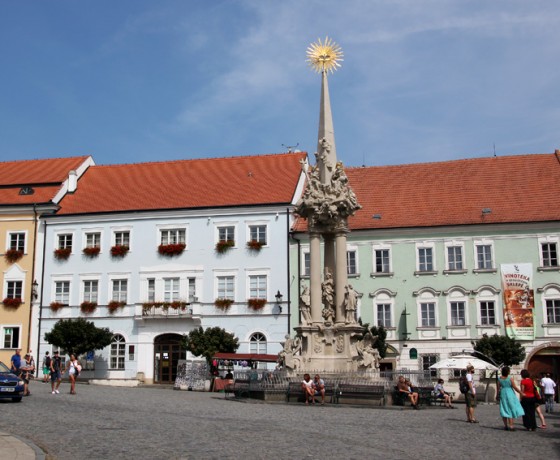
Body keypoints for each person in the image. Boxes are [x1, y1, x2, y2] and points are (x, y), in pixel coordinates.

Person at [497, 366, 524, 431]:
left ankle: (506, 426)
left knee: (504, 408)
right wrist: (521, 392)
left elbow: (498, 388)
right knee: (510, 408)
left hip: (503, 393)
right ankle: (511, 426)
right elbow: (514, 387)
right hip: (510, 393)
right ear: (508, 372)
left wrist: (497, 395)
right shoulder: (510, 378)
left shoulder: (499, 379)